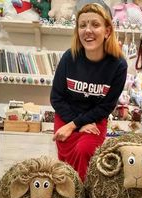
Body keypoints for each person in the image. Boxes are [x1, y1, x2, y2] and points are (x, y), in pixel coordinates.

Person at [50, 2, 128, 182]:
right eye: (82, 25)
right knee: (66, 169)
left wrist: (75, 124)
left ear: (107, 31)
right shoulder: (69, 57)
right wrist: (75, 124)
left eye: (95, 24)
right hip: (65, 117)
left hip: (93, 121)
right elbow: (56, 97)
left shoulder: (118, 65)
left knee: (85, 152)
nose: (88, 30)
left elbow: (106, 107)